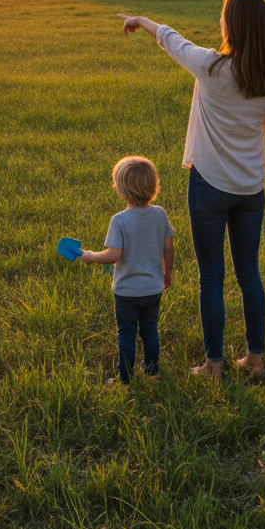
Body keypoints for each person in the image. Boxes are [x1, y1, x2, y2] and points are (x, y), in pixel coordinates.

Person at [118, 0, 265, 381]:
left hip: (209, 184)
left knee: (211, 274)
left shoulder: (212, 67)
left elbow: (173, 40)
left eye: (224, 18)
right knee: (249, 272)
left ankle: (213, 363)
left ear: (233, 26)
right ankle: (255, 359)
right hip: (250, 187)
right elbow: (263, 128)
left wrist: (141, 20)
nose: (220, 23)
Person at [80, 156, 175, 385]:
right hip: (153, 288)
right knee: (150, 330)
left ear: (121, 191)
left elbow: (113, 255)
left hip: (126, 291)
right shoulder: (160, 214)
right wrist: (167, 272)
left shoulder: (120, 220)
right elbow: (168, 247)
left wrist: (90, 256)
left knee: (127, 334)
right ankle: (152, 372)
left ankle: (125, 379)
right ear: (154, 186)